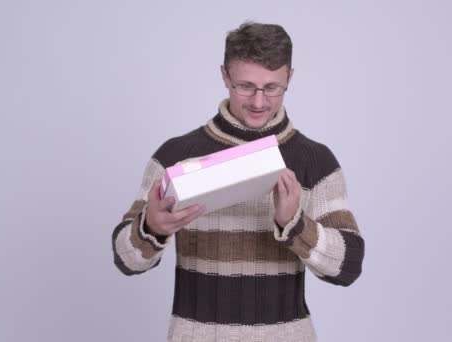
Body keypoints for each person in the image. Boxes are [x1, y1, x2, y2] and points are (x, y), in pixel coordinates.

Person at [112, 22, 365, 342]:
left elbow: (349, 265)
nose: (259, 102)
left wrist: (295, 224)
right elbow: (125, 258)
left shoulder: (314, 161)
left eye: (272, 87)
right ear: (224, 75)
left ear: (289, 77)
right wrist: (152, 226)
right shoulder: (176, 155)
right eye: (245, 86)